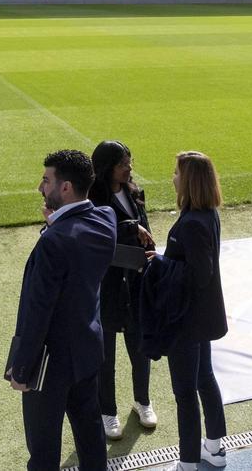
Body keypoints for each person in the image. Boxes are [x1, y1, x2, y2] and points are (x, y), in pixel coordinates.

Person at [10, 150, 115, 471]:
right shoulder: (106, 220)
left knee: (43, 451)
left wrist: (21, 368)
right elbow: (77, 237)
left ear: (66, 187)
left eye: (46, 180)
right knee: (90, 434)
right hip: (87, 349)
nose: (40, 187)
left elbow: (37, 312)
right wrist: (55, 223)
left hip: (49, 364)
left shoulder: (54, 242)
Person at [157, 151, 229, 471]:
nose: (172, 177)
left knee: (185, 392)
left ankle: (187, 461)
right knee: (205, 379)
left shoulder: (192, 223)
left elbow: (199, 275)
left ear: (189, 180)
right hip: (200, 318)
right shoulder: (205, 214)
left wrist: (159, 263)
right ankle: (213, 447)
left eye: (176, 172)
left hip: (186, 321)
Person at [88, 141, 156, 440]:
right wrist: (130, 227)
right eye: (122, 164)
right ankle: (108, 411)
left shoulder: (135, 191)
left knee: (140, 347)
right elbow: (98, 235)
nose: (129, 168)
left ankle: (143, 401)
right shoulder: (93, 198)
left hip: (136, 281)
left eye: (130, 162)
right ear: (107, 167)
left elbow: (147, 232)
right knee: (106, 354)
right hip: (106, 284)